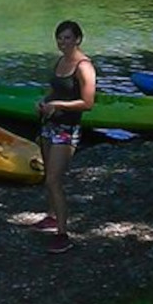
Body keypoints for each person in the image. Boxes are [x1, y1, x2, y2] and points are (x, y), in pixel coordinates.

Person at [34, 20, 96, 253]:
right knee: (47, 174)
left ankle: (63, 234)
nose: (62, 42)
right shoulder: (60, 61)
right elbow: (56, 90)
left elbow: (87, 103)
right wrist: (45, 101)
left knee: (53, 180)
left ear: (78, 39)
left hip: (67, 130)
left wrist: (58, 104)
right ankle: (51, 216)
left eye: (67, 38)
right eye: (59, 38)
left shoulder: (84, 66)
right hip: (50, 125)